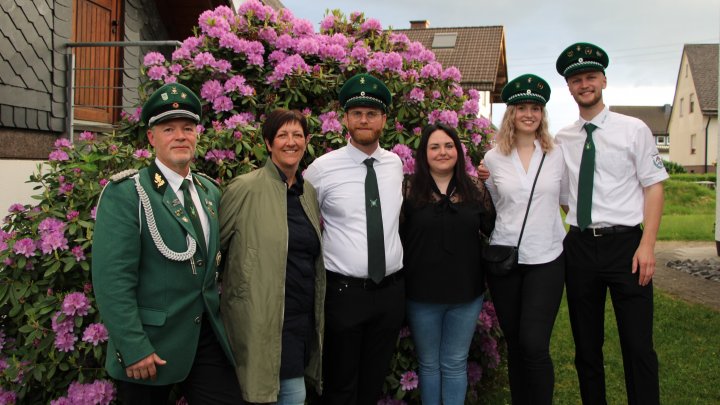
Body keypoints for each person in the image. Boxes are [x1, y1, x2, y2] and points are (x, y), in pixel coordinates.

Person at [92, 83, 243, 404]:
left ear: (197, 135)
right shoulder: (128, 193)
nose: (180, 136)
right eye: (169, 129)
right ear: (151, 138)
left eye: (188, 128)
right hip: (151, 345)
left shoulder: (209, 191)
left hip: (206, 338)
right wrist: (133, 348)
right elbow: (112, 280)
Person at [554, 42, 667, 405]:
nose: (584, 84)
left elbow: (654, 187)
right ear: (569, 88)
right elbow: (559, 193)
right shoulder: (563, 138)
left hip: (626, 247)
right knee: (587, 347)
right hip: (581, 246)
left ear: (603, 80)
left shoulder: (634, 129)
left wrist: (646, 245)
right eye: (576, 79)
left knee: (638, 345)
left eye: (590, 76)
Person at [304, 73, 405, 405]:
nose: (364, 119)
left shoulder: (395, 164)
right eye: (357, 113)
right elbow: (299, 219)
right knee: (341, 384)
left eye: (372, 113)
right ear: (345, 119)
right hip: (344, 294)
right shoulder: (321, 169)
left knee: (373, 382)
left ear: (384, 120)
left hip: (389, 292)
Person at [219, 109, 325, 404]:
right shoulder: (245, 188)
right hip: (259, 322)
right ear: (268, 143)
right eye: (282, 135)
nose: (290, 142)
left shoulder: (308, 193)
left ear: (306, 141)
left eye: (297, 135)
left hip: (298, 324)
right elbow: (215, 252)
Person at [482, 74, 567, 405]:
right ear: (511, 114)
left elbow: (567, 200)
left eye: (535, 108)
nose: (529, 114)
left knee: (534, 343)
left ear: (543, 114)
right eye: (521, 107)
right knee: (516, 343)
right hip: (505, 260)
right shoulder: (492, 159)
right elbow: (496, 205)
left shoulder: (557, 154)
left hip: (546, 258)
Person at [401, 123, 495, 405]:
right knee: (429, 364)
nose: (442, 152)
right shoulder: (407, 189)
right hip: (421, 294)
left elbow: (493, 228)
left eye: (448, 145)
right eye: (434, 146)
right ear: (424, 153)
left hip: (466, 294)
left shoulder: (476, 188)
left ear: (458, 150)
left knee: (454, 362)